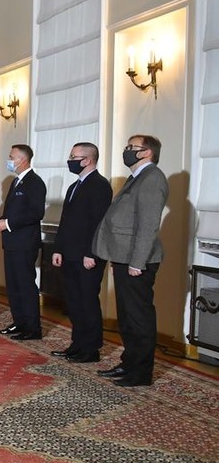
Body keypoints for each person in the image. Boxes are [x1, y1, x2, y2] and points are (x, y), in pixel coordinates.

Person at [92, 134, 169, 387]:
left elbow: (148, 225)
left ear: (147, 152)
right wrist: (119, 258)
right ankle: (129, 363)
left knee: (138, 317)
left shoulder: (152, 178)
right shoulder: (137, 177)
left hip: (138, 261)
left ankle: (140, 373)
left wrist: (137, 262)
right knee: (126, 317)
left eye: (132, 147)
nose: (126, 151)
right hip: (124, 258)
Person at [49, 142, 112, 363]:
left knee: (87, 302)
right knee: (74, 302)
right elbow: (65, 222)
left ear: (88, 160)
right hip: (69, 254)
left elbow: (99, 224)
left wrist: (91, 254)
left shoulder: (100, 185)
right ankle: (77, 344)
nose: (70, 159)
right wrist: (58, 249)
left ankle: (90, 349)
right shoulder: (74, 186)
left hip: (88, 256)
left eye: (74, 156)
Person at [0, 144, 47, 340]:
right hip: (12, 242)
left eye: (11, 156)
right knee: (13, 286)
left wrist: (8, 223)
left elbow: (36, 212)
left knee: (25, 285)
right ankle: (19, 322)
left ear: (22, 160)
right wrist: (1, 221)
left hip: (25, 243)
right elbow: (13, 211)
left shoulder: (35, 182)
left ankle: (32, 328)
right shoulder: (17, 182)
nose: (9, 159)